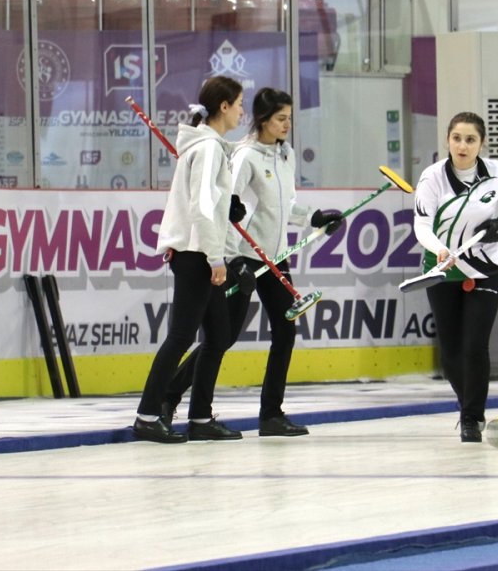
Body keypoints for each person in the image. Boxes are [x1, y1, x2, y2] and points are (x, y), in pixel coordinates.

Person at [161, 87, 343, 438]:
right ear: (262, 120)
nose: (287, 124)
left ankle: (271, 415)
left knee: (286, 332)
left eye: (290, 118)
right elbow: (227, 212)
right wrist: (230, 258)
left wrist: (315, 218)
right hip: (244, 257)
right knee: (222, 338)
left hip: (275, 258)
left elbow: (285, 207)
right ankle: (170, 397)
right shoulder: (244, 156)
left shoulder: (285, 156)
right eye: (280, 118)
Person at [133, 75, 247, 444]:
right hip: (198, 255)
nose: (243, 111)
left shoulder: (208, 146)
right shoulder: (209, 148)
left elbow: (200, 206)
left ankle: (200, 416)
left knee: (218, 335)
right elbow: (199, 207)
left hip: (200, 251)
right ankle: (147, 414)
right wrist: (215, 258)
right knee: (182, 336)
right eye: (239, 103)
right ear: (224, 106)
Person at [412, 111, 498, 443]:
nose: (462, 146)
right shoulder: (432, 178)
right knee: (450, 353)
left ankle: (471, 417)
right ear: (448, 140)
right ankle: (469, 405)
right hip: (442, 269)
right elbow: (422, 226)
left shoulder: (497, 173)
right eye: (456, 138)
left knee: (475, 345)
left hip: (485, 268)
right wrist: (439, 250)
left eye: (470, 139)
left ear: (481, 143)